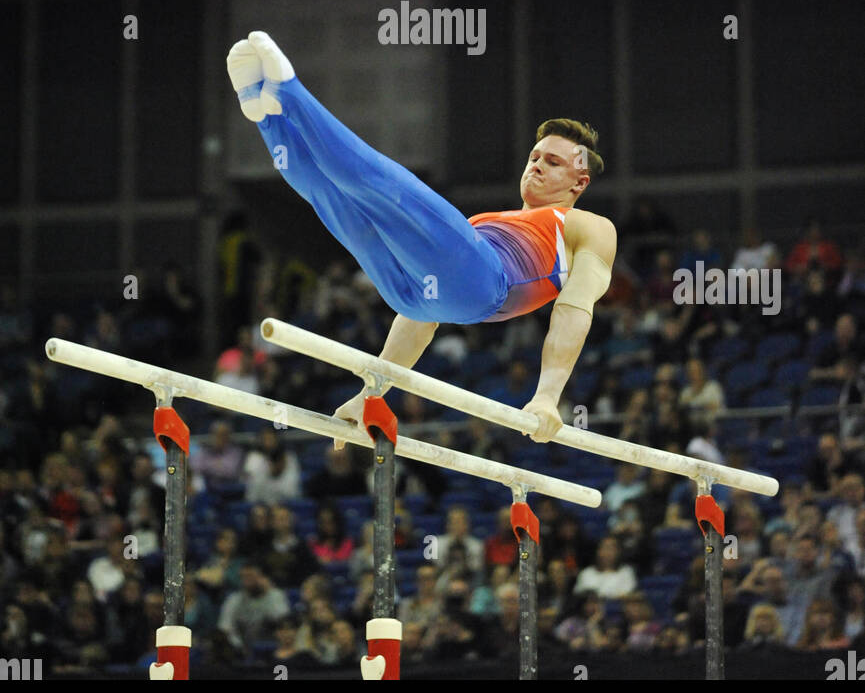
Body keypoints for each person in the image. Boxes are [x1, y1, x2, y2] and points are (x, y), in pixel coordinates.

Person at [227, 31, 616, 445]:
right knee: (334, 197)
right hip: (412, 297)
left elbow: (574, 308)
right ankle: (267, 116)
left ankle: (290, 93)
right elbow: (420, 318)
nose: (536, 165)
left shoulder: (588, 226)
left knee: (378, 182)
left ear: (579, 182)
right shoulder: (484, 222)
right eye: (534, 156)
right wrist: (371, 394)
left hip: (486, 284)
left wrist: (547, 396)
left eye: (553, 162)